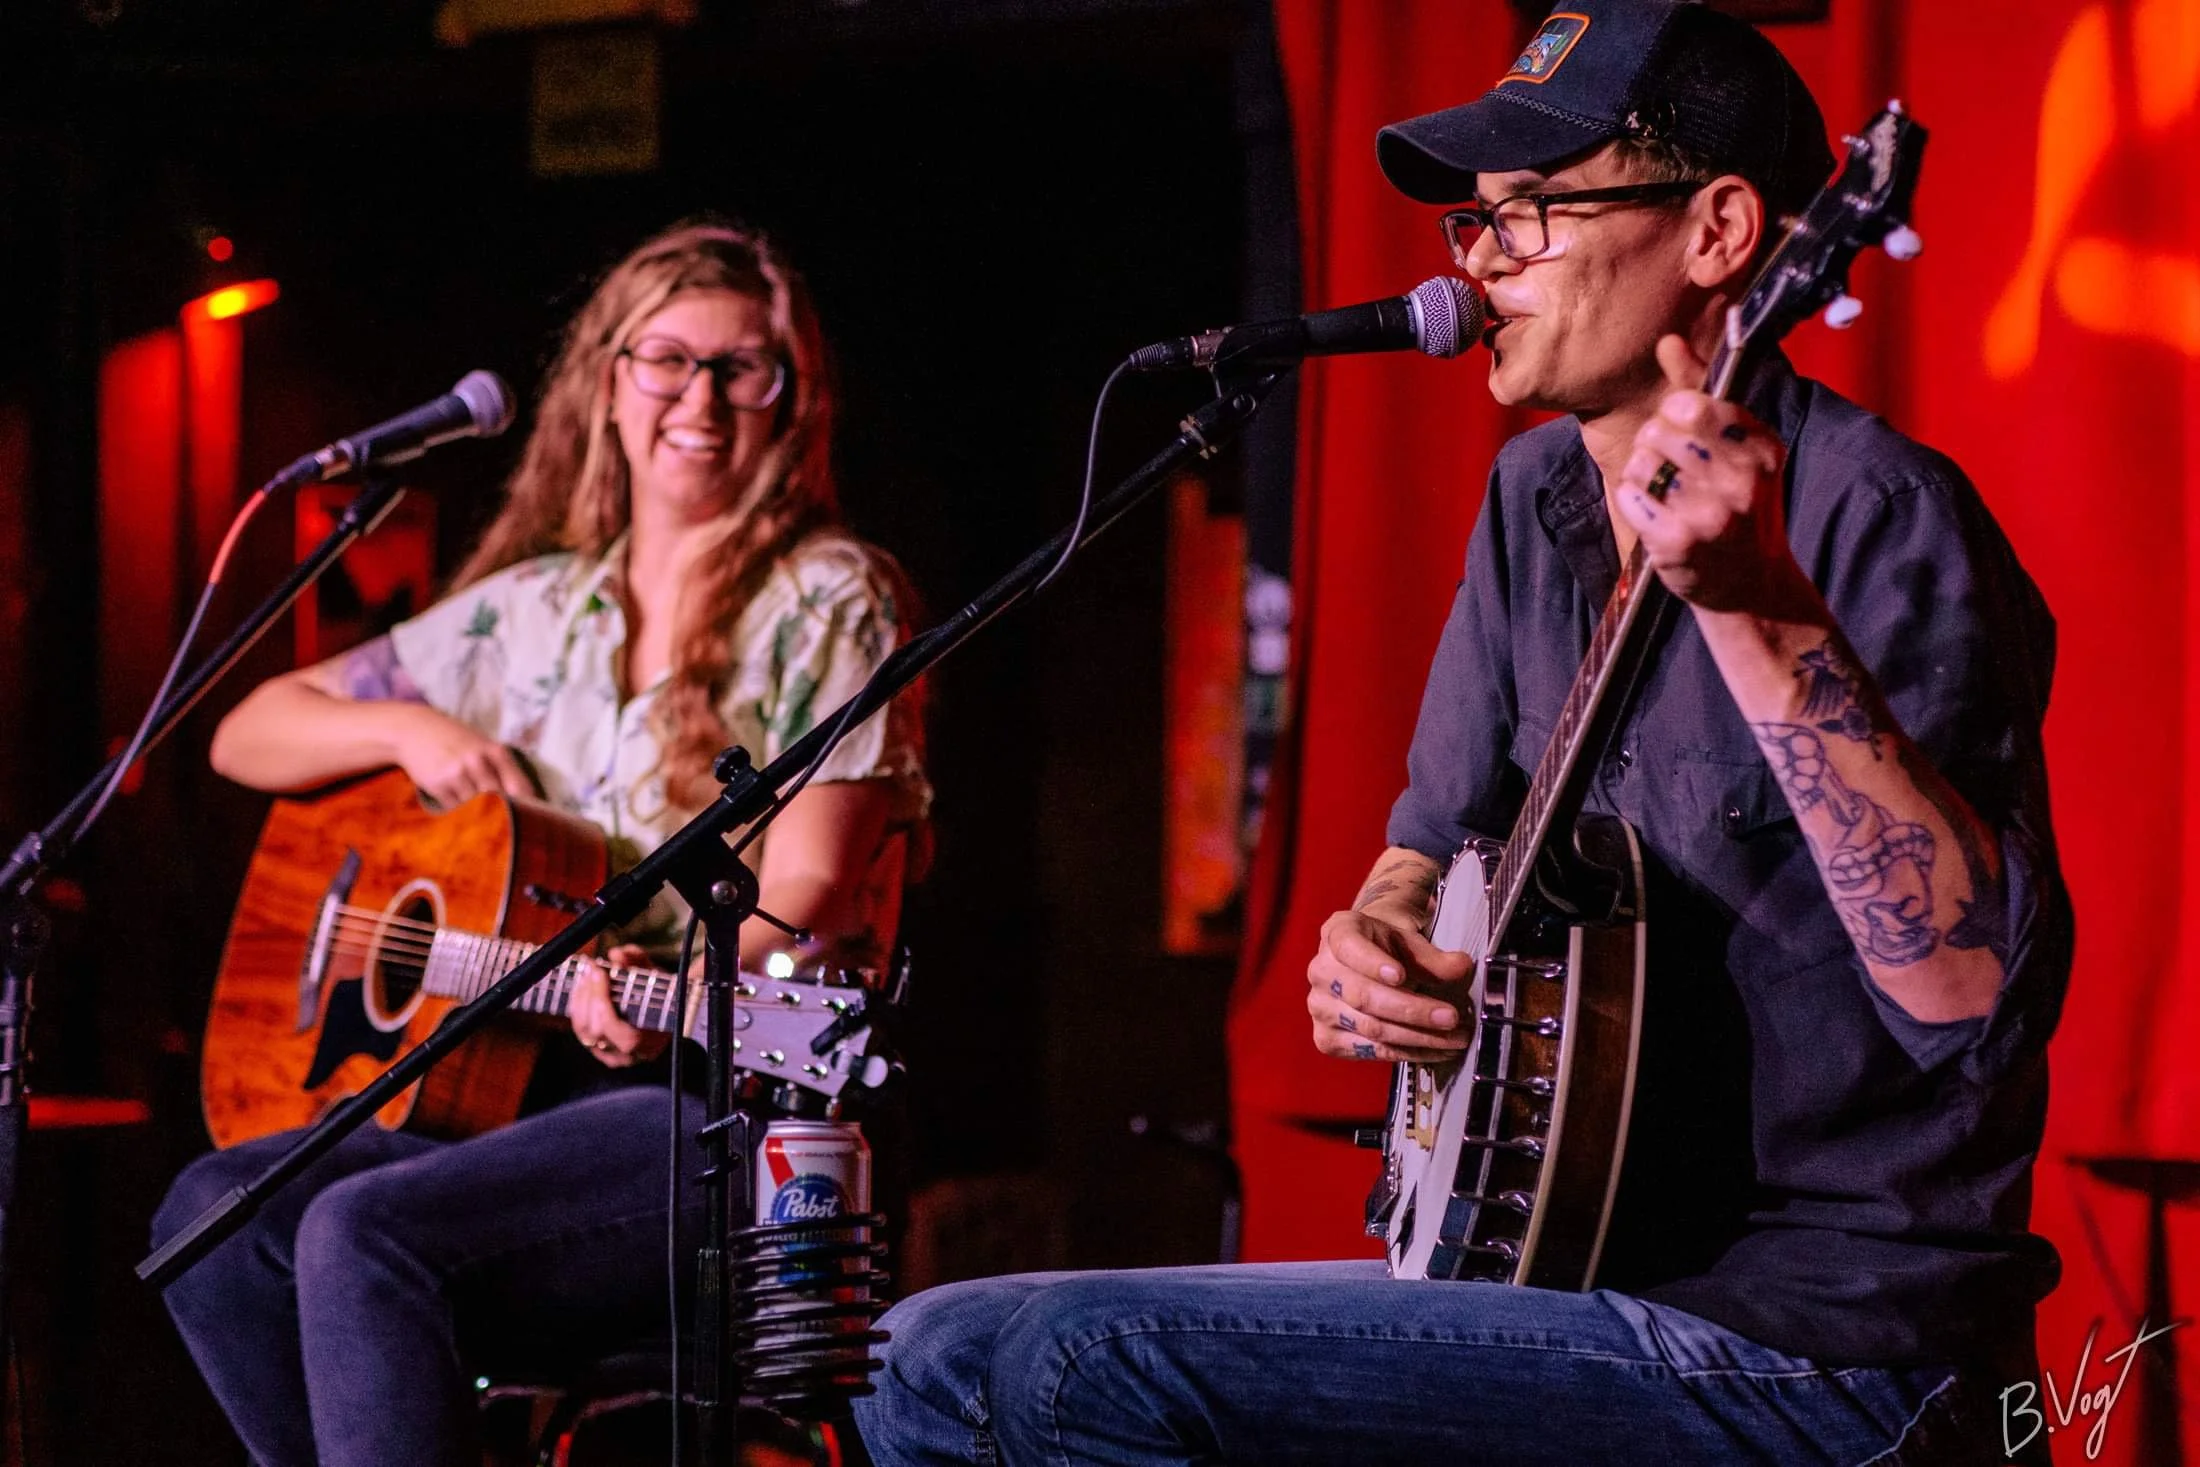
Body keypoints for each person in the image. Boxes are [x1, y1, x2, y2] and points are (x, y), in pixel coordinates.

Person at [852, 3, 2069, 1464]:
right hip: (1566, 1277)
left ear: (1724, 230)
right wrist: (1373, 950)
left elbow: (1963, 992)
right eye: (1475, 223)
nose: (1482, 259)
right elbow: (1422, 852)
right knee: (926, 1346)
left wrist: (1757, 611)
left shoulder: (1878, 517)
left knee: (1068, 1363)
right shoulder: (1531, 507)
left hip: (1825, 1340)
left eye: (1537, 212)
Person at [153, 220, 929, 1467]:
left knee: (357, 1233)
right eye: (667, 359)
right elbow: (244, 733)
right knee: (208, 1215)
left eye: (746, 369)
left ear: (792, 403)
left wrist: (673, 998)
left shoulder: (831, 599)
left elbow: (809, 905)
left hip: (696, 1109)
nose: (702, 398)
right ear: (607, 383)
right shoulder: (533, 612)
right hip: (495, 1109)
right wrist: (410, 730)